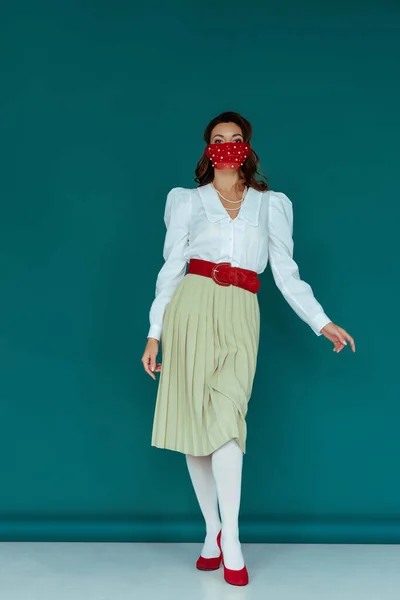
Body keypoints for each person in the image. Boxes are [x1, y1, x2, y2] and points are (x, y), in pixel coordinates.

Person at [141, 111, 356, 586]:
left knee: (227, 421)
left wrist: (320, 321)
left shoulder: (272, 204)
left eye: (235, 139)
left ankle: (233, 537)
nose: (227, 146)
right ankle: (213, 530)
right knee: (194, 425)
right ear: (206, 149)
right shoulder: (187, 202)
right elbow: (170, 269)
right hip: (191, 308)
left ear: (248, 147)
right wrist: (155, 331)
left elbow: (286, 271)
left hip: (242, 311)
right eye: (218, 139)